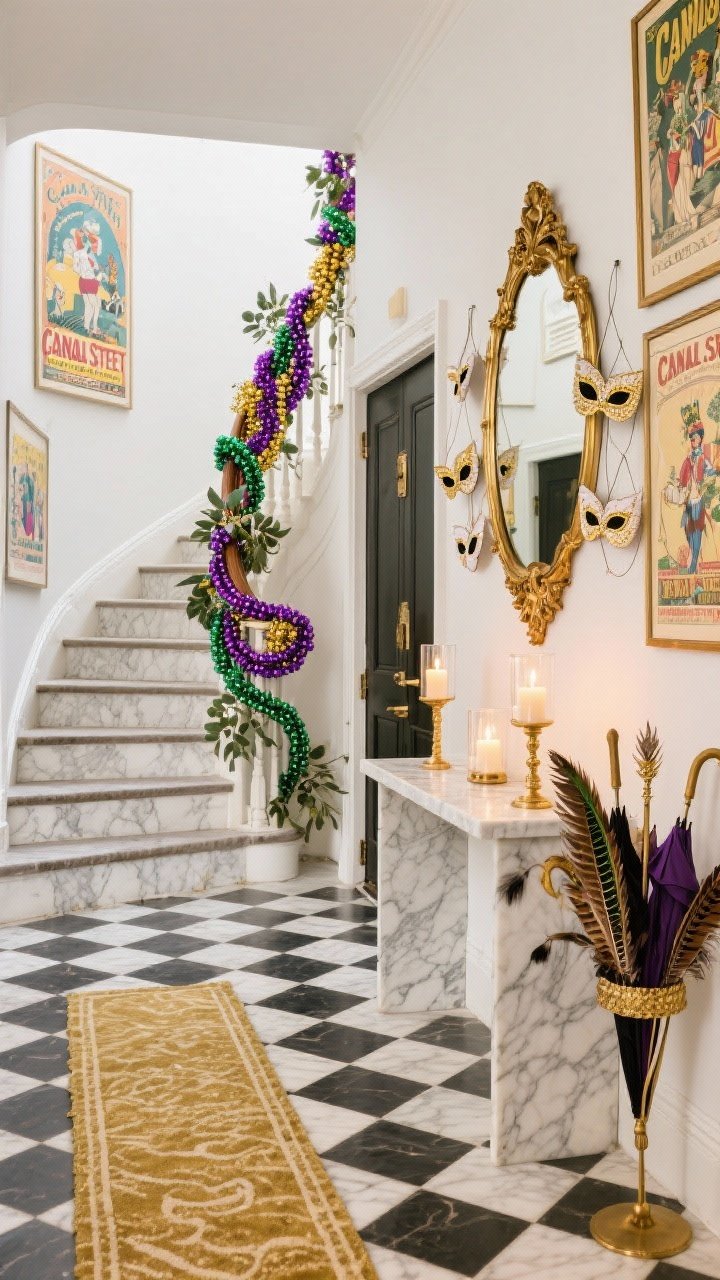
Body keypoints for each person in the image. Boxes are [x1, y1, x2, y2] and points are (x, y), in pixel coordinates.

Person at [677, 405, 718, 574]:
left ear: (700, 438)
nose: (694, 440)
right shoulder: (689, 457)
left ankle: (694, 561)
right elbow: (682, 474)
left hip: (698, 499)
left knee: (697, 530)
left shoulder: (702, 456)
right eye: (692, 438)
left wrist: (713, 473)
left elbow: (710, 471)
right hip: (689, 498)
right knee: (687, 528)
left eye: (696, 437)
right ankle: (693, 556)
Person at [72, 218, 106, 336]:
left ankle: (87, 327)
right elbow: (75, 268)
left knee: (91, 305)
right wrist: (84, 271)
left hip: (90, 281)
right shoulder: (79, 253)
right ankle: (94, 327)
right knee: (95, 305)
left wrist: (96, 273)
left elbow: (98, 249)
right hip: (86, 281)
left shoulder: (91, 254)